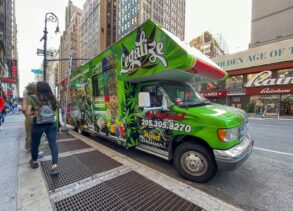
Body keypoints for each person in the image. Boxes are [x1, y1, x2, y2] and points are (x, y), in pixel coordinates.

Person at [25, 81, 59, 176]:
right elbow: (55, 110)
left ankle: (35, 161)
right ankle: (54, 166)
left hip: (38, 124)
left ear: (38, 89)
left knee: (35, 144)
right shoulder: (52, 98)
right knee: (53, 144)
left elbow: (27, 113)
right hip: (51, 124)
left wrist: (36, 112)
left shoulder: (31, 98)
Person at [22, 83, 46, 155]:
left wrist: (30, 112)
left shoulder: (27, 98)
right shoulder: (41, 97)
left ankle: (29, 147)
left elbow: (25, 110)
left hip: (30, 118)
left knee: (29, 133)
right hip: (41, 117)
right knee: (41, 134)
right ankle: (41, 150)